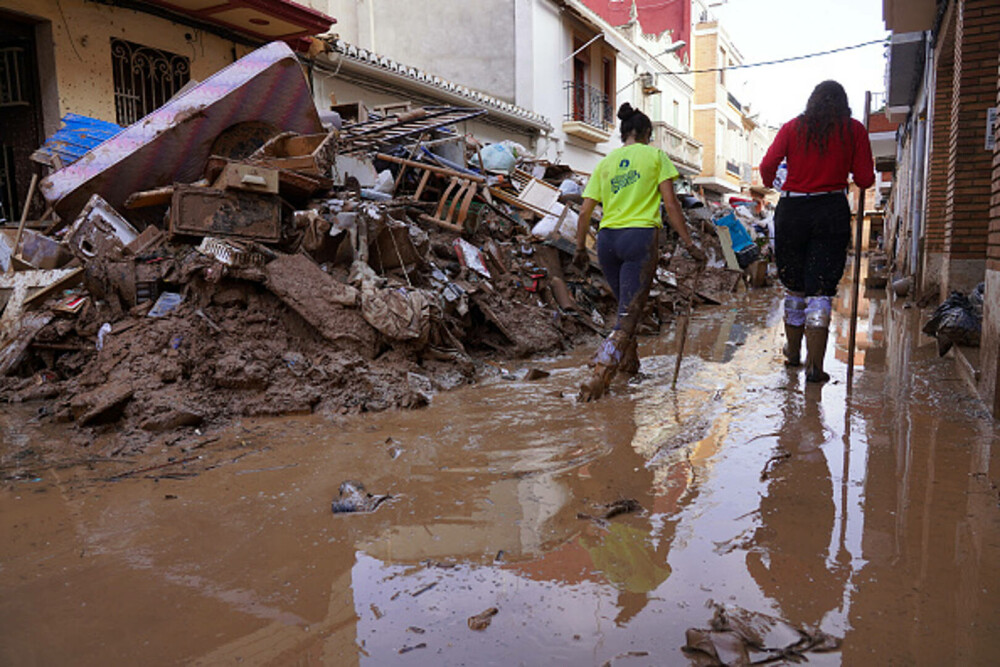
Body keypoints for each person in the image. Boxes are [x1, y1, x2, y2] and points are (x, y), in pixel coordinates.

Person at [573, 102, 706, 401]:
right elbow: (671, 205)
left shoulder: (605, 163)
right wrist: (689, 244)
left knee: (624, 307)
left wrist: (581, 248)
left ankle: (629, 368)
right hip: (639, 239)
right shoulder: (655, 156)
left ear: (623, 135)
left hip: (606, 241)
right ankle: (599, 375)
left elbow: (584, 213)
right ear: (647, 133)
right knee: (628, 315)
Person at [759, 81, 874, 383]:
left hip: (793, 210)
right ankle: (815, 366)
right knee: (820, 288)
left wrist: (777, 183)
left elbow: (767, 165)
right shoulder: (854, 129)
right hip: (831, 211)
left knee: (795, 286)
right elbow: (864, 179)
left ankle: (793, 353)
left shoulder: (792, 128)